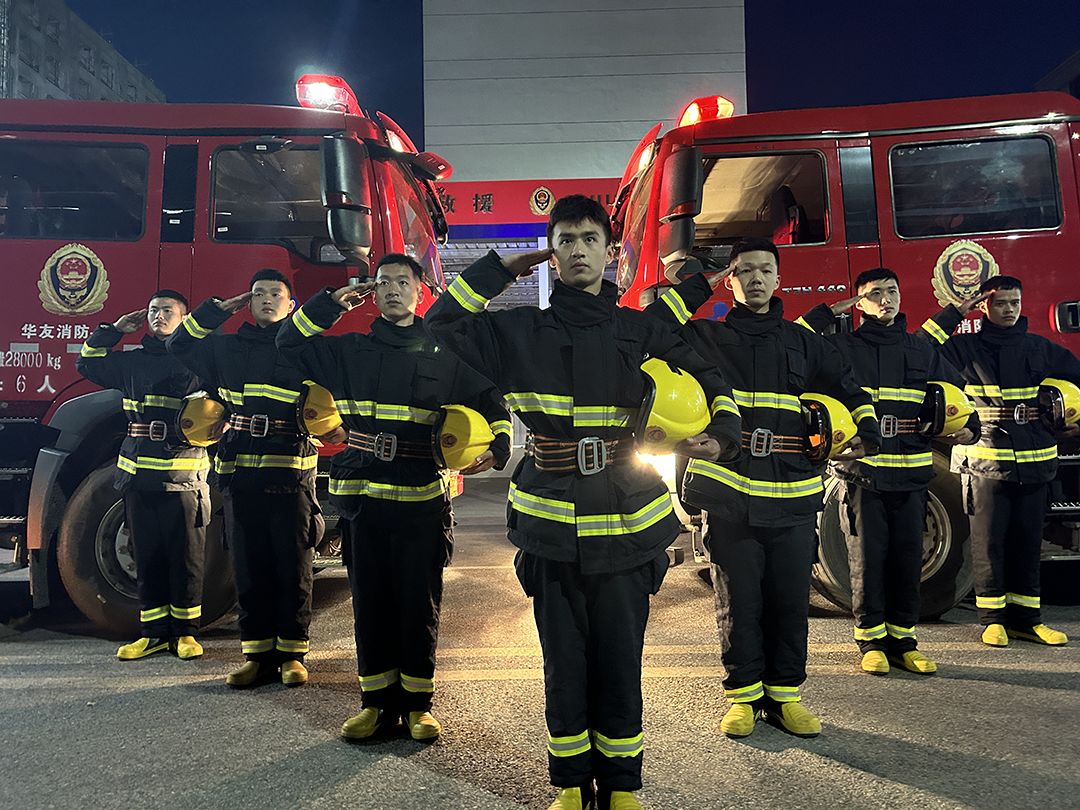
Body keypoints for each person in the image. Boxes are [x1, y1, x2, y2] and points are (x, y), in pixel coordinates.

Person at [426, 195, 741, 810]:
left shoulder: (639, 328)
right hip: (551, 527)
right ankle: (571, 785)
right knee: (564, 662)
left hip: (629, 523)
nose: (577, 250)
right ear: (551, 254)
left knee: (620, 661)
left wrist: (723, 434)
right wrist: (499, 270)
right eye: (565, 240)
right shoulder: (518, 331)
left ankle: (621, 786)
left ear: (609, 251)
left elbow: (712, 375)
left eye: (589, 239)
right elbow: (439, 327)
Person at [645, 237, 880, 740]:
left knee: (790, 602)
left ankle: (785, 696)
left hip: (792, 494)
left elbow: (850, 387)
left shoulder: (804, 342)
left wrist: (868, 432)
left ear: (778, 279)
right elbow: (650, 328)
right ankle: (743, 697)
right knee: (738, 601)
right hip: (730, 493)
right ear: (729, 280)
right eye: (744, 270)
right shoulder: (704, 335)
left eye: (764, 270)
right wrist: (698, 285)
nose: (755, 278)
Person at [276, 253, 512, 742]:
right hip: (363, 501)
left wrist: (500, 443)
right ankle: (376, 705)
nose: (392, 289)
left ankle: (418, 706)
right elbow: (289, 341)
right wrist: (329, 303)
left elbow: (491, 399)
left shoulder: (445, 351)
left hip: (422, 500)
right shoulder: (349, 351)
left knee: (418, 604)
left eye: (402, 282)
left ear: (420, 292)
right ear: (373, 293)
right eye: (383, 282)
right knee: (371, 604)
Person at [799, 268, 979, 676]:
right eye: (875, 293)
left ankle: (904, 642)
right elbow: (793, 339)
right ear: (859, 303)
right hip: (864, 476)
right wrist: (828, 311)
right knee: (867, 559)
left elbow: (960, 397)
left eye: (892, 291)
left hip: (914, 476)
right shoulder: (841, 348)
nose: (886, 299)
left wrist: (972, 429)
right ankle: (871, 642)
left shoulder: (921, 350)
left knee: (907, 560)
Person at [167, 269, 324, 688]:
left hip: (291, 477)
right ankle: (256, 656)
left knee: (293, 567)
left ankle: (292, 655)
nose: (267, 299)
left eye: (276, 294)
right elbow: (178, 344)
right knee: (248, 567)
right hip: (241, 477)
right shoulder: (226, 349)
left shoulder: (303, 348)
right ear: (248, 303)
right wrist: (217, 311)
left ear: (291, 305)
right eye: (258, 294)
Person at [935, 275, 1080, 647]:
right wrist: (956, 313)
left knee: (1028, 543)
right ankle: (993, 620)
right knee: (989, 544)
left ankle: (1028, 621)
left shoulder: (1041, 348)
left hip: (1036, 462)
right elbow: (919, 349)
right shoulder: (963, 348)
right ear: (984, 306)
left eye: (1015, 302)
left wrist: (1074, 425)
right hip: (985, 462)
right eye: (1000, 303)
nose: (1009, 309)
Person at [76, 290, 210, 661]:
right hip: (138, 477)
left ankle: (186, 634)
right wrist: (115, 330)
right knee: (146, 557)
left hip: (185, 478)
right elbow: (87, 363)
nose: (158, 316)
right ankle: (152, 635)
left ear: (184, 318)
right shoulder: (131, 361)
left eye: (167, 310)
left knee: (186, 559)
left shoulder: (198, 361)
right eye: (153, 310)